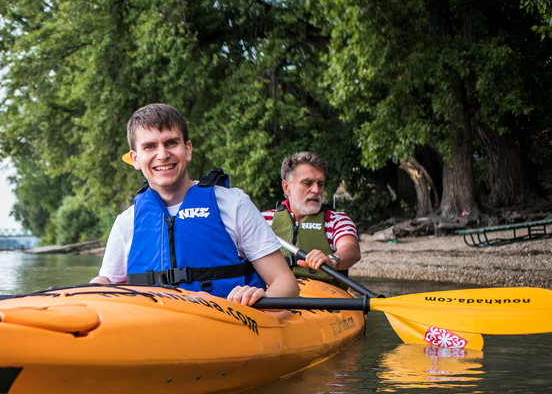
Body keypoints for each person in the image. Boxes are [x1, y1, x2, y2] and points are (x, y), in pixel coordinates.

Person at [92, 104, 298, 306]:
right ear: (136, 159)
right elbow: (107, 281)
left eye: (171, 143)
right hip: (152, 328)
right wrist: (85, 293)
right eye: (150, 146)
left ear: (187, 150)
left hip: (228, 325)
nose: (162, 155)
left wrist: (260, 297)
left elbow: (286, 283)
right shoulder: (127, 222)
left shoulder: (234, 204)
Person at [262, 152, 360, 282]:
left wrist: (332, 260)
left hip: (323, 296)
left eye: (320, 184)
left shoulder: (336, 220)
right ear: (287, 187)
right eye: (308, 183)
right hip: (275, 293)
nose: (316, 190)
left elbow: (351, 248)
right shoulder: (263, 221)